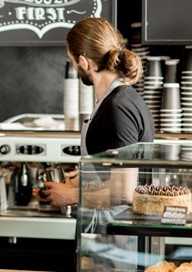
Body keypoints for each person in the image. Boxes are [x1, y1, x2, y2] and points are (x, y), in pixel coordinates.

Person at [42, 17, 154, 207]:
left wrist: (72, 196)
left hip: (119, 232)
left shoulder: (118, 107)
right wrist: (85, 176)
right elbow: (113, 171)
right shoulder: (113, 100)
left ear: (84, 62)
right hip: (105, 226)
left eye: (73, 61)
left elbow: (125, 191)